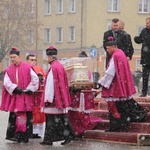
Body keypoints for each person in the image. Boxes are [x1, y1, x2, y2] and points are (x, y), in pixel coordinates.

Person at [98, 38, 147, 132]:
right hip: (121, 83)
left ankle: (118, 125)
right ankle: (135, 116)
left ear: (113, 47)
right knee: (124, 104)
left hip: (116, 85)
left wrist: (101, 83)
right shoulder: (121, 53)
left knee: (116, 106)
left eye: (108, 48)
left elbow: (110, 72)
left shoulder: (115, 56)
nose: (107, 51)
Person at [0, 48, 39, 143]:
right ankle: (15, 135)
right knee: (14, 115)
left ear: (19, 57)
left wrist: (29, 89)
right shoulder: (8, 69)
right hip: (16, 96)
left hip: (25, 96)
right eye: (11, 57)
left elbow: (35, 79)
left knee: (26, 115)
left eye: (14, 57)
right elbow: (6, 82)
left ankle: (25, 135)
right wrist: (14, 88)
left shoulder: (27, 67)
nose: (13, 59)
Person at [40, 46, 76, 146]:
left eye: (48, 57)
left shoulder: (53, 68)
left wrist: (48, 99)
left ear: (51, 57)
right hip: (59, 97)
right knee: (58, 118)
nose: (47, 59)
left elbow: (51, 85)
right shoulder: (59, 66)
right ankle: (49, 139)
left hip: (54, 99)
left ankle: (66, 135)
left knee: (53, 120)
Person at [68, 51, 102, 137]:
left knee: (81, 113)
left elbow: (89, 83)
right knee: (75, 113)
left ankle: (78, 128)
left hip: (83, 94)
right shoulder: (74, 70)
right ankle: (75, 129)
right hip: (76, 94)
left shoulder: (88, 72)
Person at [26, 54, 46, 138]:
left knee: (39, 114)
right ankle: (29, 131)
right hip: (30, 95)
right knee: (31, 114)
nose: (33, 61)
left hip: (38, 95)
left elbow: (45, 79)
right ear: (27, 60)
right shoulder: (25, 68)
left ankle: (37, 132)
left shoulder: (39, 68)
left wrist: (41, 78)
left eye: (34, 60)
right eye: (31, 60)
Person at [134, 17, 150, 97]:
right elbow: (140, 39)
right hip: (145, 58)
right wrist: (136, 39)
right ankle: (144, 92)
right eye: (146, 23)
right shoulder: (144, 31)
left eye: (147, 23)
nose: (146, 24)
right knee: (145, 76)